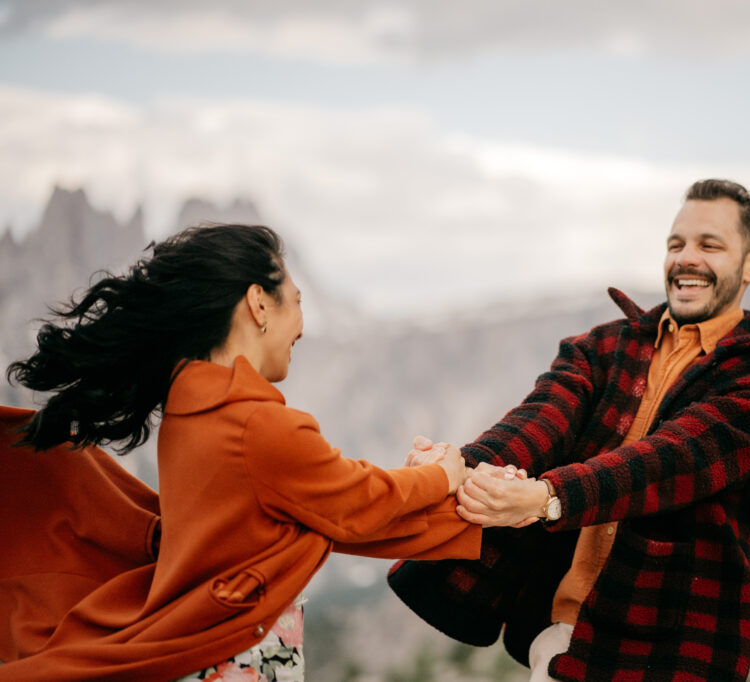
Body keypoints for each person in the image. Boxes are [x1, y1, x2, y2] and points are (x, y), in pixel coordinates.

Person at [0, 224, 481, 681]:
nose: (301, 325)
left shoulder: (187, 413)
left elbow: (320, 514)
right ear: (258, 304)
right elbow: (355, 501)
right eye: (295, 302)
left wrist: (464, 511)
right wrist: (443, 474)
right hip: (234, 661)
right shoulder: (258, 426)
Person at [390, 179, 750, 681]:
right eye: (676, 244)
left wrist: (546, 498)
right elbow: (540, 420)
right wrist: (459, 466)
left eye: (709, 245)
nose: (686, 258)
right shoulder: (602, 347)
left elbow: (666, 464)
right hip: (565, 640)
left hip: (674, 660)